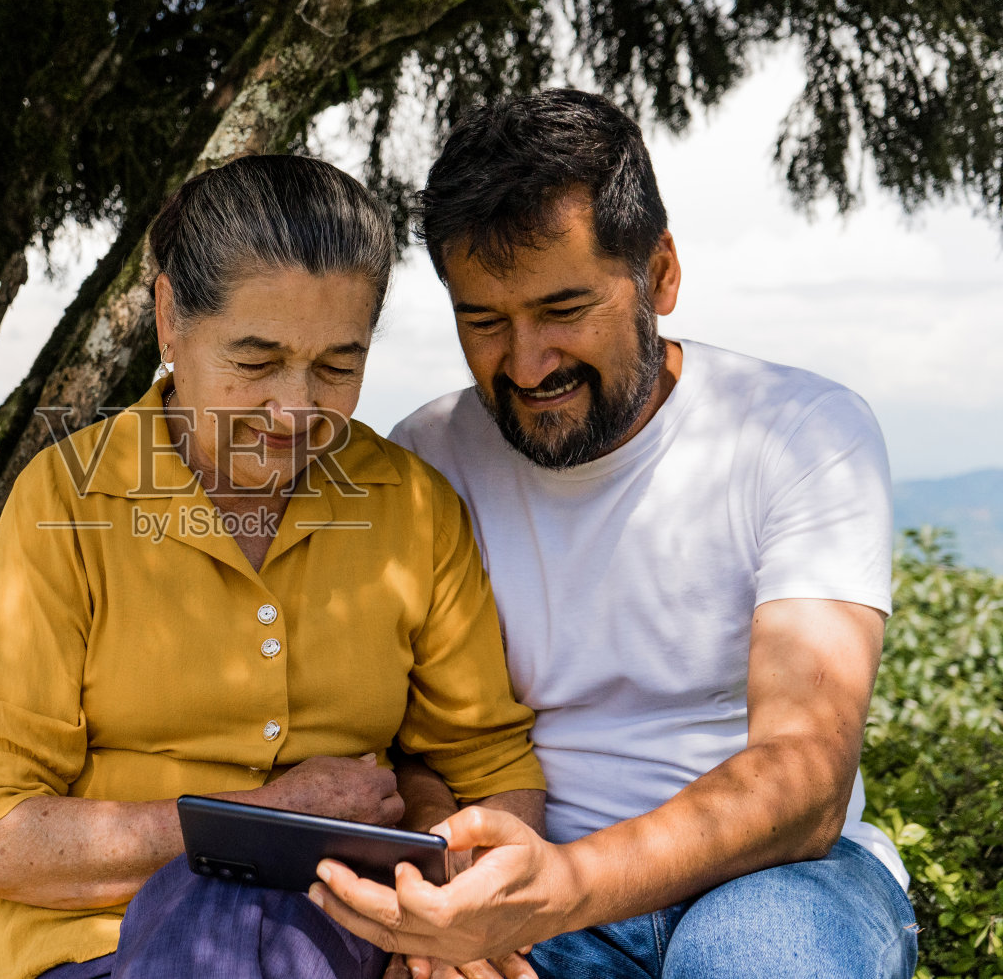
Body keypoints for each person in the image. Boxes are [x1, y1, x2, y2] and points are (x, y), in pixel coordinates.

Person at [310, 89, 919, 979]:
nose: (526, 362)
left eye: (563, 309)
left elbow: (806, 781)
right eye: (483, 321)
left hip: (786, 880)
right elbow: (410, 747)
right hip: (518, 891)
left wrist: (566, 883)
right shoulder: (426, 459)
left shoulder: (801, 430)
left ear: (660, 275)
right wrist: (443, 887)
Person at [0, 154, 546, 979]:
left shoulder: (409, 503)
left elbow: (489, 769)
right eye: (255, 362)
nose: (296, 410)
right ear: (169, 322)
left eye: (337, 366)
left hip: (338, 946)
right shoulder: (67, 503)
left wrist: (453, 914)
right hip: (83, 954)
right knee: (223, 910)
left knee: (264, 919)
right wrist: (269, 819)